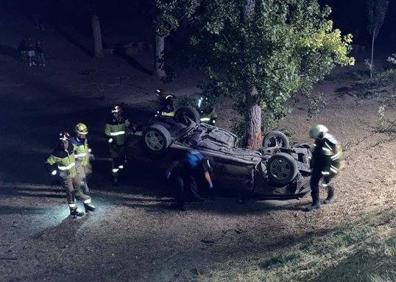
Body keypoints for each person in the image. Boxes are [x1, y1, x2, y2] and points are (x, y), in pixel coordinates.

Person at [46, 132, 96, 218]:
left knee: (79, 189)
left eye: (65, 141)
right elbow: (47, 163)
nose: (63, 143)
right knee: (70, 192)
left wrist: (86, 154)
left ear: (68, 141)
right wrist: (52, 170)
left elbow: (78, 152)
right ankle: (73, 210)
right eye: (62, 141)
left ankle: (87, 204)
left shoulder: (71, 147)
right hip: (65, 176)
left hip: (74, 173)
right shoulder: (56, 153)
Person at [306, 124, 343, 211]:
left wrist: (326, 170)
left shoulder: (327, 142)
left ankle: (322, 201)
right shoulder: (322, 139)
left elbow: (329, 158)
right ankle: (322, 200)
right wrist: (312, 163)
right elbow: (316, 152)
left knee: (322, 182)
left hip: (327, 166)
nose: (315, 139)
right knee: (318, 182)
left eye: (316, 137)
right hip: (322, 164)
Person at [105, 105, 131, 184]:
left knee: (122, 161)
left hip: (122, 144)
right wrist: (111, 141)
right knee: (116, 161)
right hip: (114, 145)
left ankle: (122, 174)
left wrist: (126, 119)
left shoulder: (123, 120)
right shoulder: (109, 121)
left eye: (119, 113)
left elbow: (128, 126)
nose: (117, 115)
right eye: (116, 113)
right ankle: (115, 177)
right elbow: (107, 133)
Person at [70, 123, 93, 195]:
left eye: (85, 134)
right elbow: (69, 155)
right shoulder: (72, 142)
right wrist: (77, 157)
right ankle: (81, 192)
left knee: (86, 176)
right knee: (80, 178)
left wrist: (89, 155)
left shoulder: (84, 140)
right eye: (82, 134)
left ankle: (82, 190)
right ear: (77, 133)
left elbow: (85, 150)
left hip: (85, 162)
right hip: (77, 163)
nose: (84, 135)